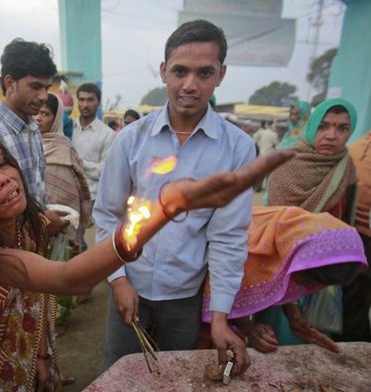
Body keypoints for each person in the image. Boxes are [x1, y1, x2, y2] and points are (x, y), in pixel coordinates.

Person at [0, 126, 291, 392]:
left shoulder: (20, 222)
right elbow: (67, 279)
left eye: (1, 163)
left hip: (28, 357)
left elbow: (32, 297)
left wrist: (42, 352)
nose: (3, 179)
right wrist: (167, 206)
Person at [94, 19, 255, 373]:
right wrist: (118, 281)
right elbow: (107, 215)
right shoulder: (131, 140)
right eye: (180, 71)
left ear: (221, 75)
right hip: (129, 282)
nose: (190, 85)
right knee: (118, 376)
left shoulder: (239, 148)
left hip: (185, 294)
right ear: (164, 71)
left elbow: (227, 237)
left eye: (204, 73)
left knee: (175, 380)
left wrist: (220, 317)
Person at [257, 98, 359, 346]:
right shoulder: (287, 165)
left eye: (342, 128)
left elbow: (345, 222)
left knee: (313, 343)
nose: (331, 135)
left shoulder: (346, 168)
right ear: (312, 126)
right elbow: (275, 231)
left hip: (323, 273)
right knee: (277, 342)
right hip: (282, 272)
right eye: (324, 126)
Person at [210, 206, 367, 353]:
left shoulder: (298, 240)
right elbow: (220, 291)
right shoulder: (249, 247)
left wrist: (294, 317)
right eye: (309, 282)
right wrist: (247, 326)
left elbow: (284, 274)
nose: (308, 288)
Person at [0, 38, 67, 235]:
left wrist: (43, 218)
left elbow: (34, 193)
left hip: (34, 244)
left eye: (47, 87)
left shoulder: (33, 130)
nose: (44, 96)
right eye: (35, 86)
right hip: (4, 251)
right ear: (10, 83)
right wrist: (42, 221)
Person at [35, 93, 92, 255]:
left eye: (45, 114)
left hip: (60, 231)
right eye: (36, 112)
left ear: (56, 118)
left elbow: (69, 196)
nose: (38, 118)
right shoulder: (27, 144)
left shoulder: (63, 149)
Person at [341, 130, 371, 342]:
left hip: (357, 235)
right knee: (357, 297)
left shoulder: (356, 148)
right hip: (359, 237)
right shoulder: (357, 150)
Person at [72, 82, 115, 203]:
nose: (85, 105)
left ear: (98, 102)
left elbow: (106, 171)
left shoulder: (107, 134)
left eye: (90, 100)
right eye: (81, 100)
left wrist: (79, 163)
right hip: (68, 197)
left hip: (93, 199)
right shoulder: (69, 129)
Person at [252, 121, 279, 191]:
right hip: (270, 155)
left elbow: (255, 140)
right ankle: (268, 189)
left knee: (261, 172)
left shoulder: (261, 133)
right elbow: (277, 145)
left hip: (262, 154)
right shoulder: (274, 134)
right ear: (272, 125)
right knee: (269, 174)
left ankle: (257, 188)